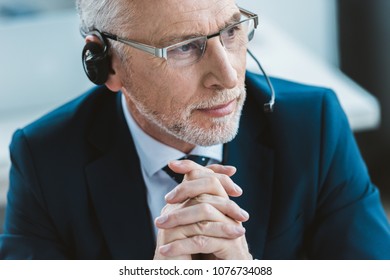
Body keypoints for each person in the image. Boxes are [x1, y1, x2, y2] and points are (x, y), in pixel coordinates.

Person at [0, 0, 389, 260]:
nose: (228, 76)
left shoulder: (314, 124)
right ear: (107, 65)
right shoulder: (44, 158)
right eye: (184, 47)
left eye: (232, 31)